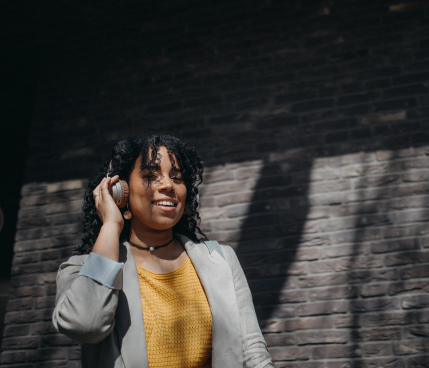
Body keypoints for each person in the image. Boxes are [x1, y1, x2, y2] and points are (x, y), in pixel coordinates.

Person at [52, 134, 274, 368]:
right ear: (120, 191)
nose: (168, 185)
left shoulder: (221, 260)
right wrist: (110, 225)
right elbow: (85, 324)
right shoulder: (83, 270)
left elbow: (252, 352)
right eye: (151, 175)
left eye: (177, 178)